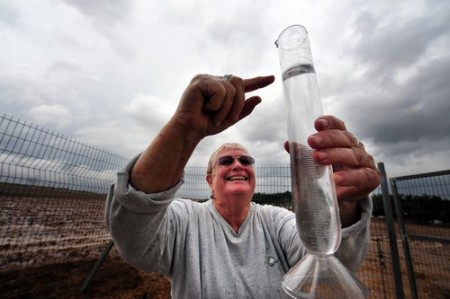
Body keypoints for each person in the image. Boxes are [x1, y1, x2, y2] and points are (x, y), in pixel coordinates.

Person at [105, 74, 380, 298]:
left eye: (246, 160)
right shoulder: (186, 220)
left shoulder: (276, 221)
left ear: (253, 176)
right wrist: (183, 130)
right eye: (226, 161)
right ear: (209, 180)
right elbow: (134, 239)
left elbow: (332, 262)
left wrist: (340, 206)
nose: (238, 165)